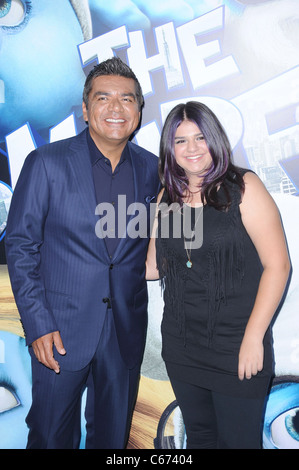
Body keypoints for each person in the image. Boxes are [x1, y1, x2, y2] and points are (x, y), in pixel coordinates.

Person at [5, 57, 159, 449]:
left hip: (125, 331)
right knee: (51, 436)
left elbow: (164, 240)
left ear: (138, 112)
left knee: (112, 440)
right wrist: (38, 324)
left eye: (127, 99)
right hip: (58, 331)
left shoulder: (153, 170)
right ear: (86, 109)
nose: (115, 108)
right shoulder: (46, 163)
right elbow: (21, 246)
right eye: (103, 97)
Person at [146, 101, 290, 449]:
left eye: (200, 138)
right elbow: (152, 267)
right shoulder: (168, 197)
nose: (192, 148)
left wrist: (254, 338)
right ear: (170, 149)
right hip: (182, 346)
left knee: (238, 442)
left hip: (237, 344)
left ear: (215, 139)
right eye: (180, 141)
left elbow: (278, 265)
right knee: (199, 438)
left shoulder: (243, 187)